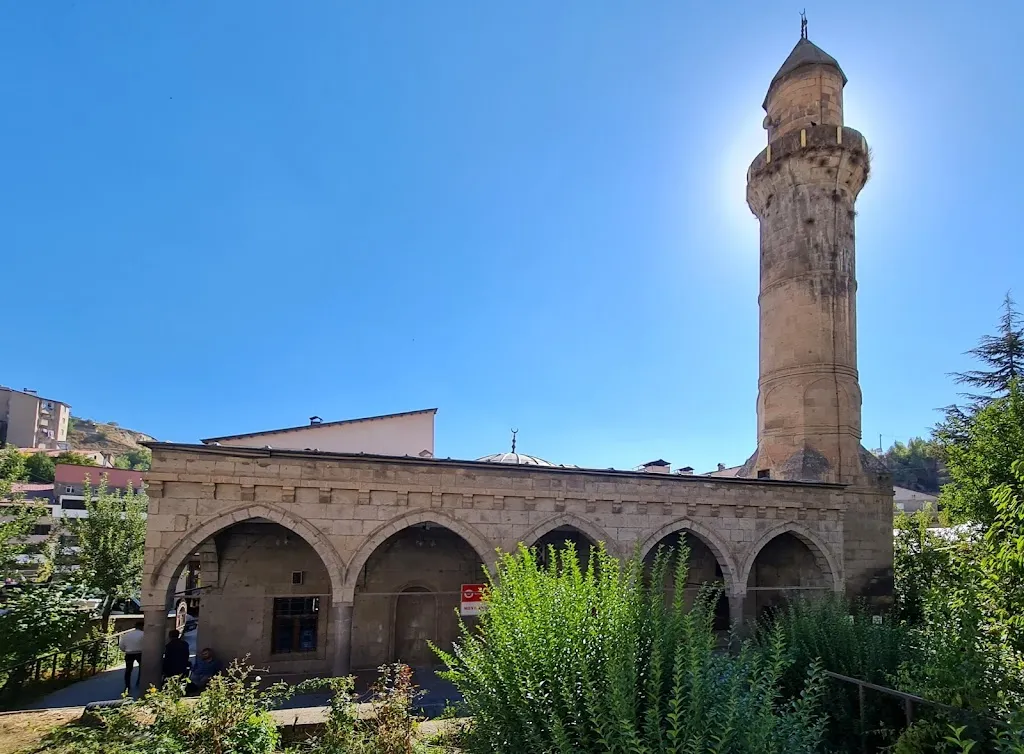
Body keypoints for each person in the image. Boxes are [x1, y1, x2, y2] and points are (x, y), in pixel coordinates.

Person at [118, 620, 145, 692]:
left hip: (129, 653)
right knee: (142, 669)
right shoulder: (144, 634)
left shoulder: (126, 635)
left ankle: (127, 686)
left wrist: (125, 650)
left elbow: (121, 646)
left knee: (128, 670)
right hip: (140, 652)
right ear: (142, 627)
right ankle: (139, 682)